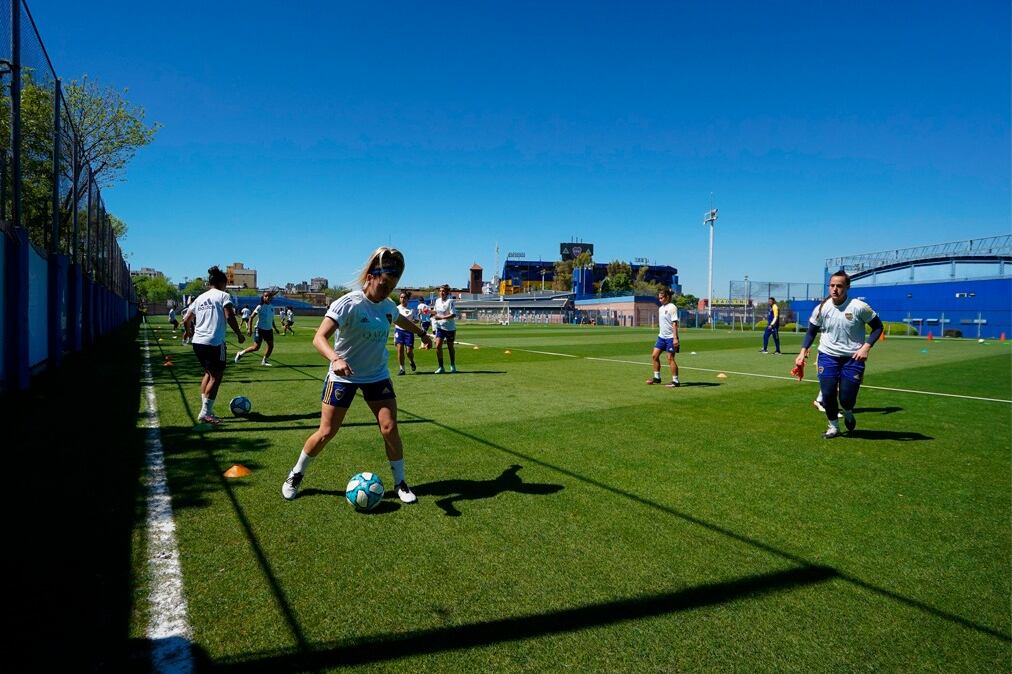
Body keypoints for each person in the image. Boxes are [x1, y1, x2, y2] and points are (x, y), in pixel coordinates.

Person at [281, 246, 433, 502]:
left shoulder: (388, 306)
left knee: (390, 428)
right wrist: (335, 359)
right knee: (327, 432)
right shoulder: (348, 303)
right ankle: (296, 473)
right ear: (370, 277)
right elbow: (319, 338)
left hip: (376, 375)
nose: (387, 291)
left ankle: (400, 483)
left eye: (392, 287)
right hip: (343, 376)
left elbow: (399, 319)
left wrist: (421, 333)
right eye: (384, 285)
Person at [795, 270, 884, 439]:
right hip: (827, 356)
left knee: (846, 399)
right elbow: (811, 332)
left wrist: (866, 347)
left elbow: (878, 327)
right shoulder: (821, 308)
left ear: (847, 287)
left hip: (853, 358)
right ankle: (833, 427)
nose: (835, 289)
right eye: (832, 285)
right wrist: (802, 352)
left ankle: (848, 412)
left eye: (839, 286)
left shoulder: (859, 307)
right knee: (828, 394)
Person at [181, 266, 246, 425]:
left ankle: (205, 409)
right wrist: (239, 334)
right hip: (214, 342)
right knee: (216, 377)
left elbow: (186, 319)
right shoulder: (223, 295)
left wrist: (188, 332)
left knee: (208, 373)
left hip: (198, 342)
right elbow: (229, 316)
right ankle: (205, 413)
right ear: (222, 283)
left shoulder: (200, 298)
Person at [235, 289, 280, 366]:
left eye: (269, 296)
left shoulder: (272, 307)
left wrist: (275, 328)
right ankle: (240, 353)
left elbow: (271, 319)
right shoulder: (260, 306)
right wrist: (250, 329)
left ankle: (264, 361)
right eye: (265, 296)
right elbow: (251, 317)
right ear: (263, 297)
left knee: (271, 346)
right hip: (259, 329)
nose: (267, 297)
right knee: (256, 347)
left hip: (269, 330)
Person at [646, 287, 680, 387]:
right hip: (661, 337)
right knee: (654, 356)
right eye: (659, 298)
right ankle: (657, 378)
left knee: (670, 358)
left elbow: (674, 323)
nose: (660, 300)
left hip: (670, 338)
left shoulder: (672, 307)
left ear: (667, 297)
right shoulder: (660, 309)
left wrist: (675, 338)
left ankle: (675, 381)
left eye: (661, 298)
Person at [433, 284, 457, 374]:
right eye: (440, 291)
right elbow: (435, 312)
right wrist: (428, 311)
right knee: (438, 346)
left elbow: (453, 314)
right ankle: (441, 367)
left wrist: (441, 318)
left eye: (443, 291)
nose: (441, 292)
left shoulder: (450, 301)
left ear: (447, 292)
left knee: (450, 347)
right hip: (440, 327)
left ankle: (452, 365)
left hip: (450, 328)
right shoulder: (437, 301)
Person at [394, 291, 418, 375]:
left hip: (409, 331)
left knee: (409, 352)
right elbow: (393, 319)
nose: (402, 299)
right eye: (401, 297)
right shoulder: (396, 309)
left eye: (404, 298)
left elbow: (416, 319)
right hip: (399, 331)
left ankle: (411, 361)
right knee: (400, 350)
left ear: (408, 299)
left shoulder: (412, 309)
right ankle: (402, 369)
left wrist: (413, 321)